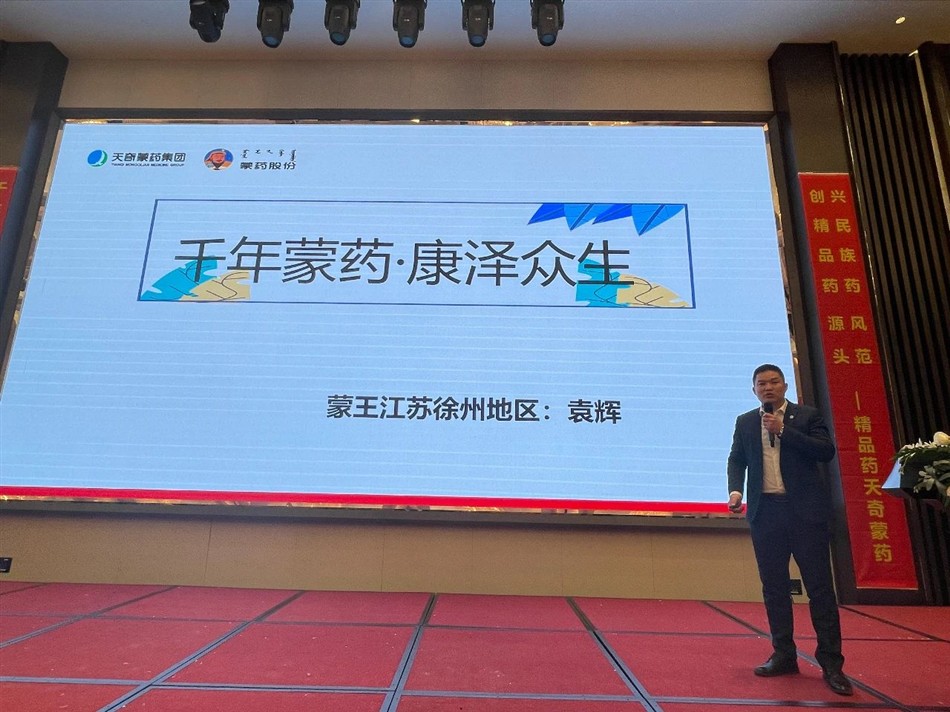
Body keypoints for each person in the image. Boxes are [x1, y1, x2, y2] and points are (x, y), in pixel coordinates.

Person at [727, 364, 853, 697]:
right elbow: (737, 458)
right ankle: (783, 654)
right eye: (761, 384)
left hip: (805, 514)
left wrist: (783, 430)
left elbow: (825, 451)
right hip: (765, 513)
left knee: (820, 589)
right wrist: (735, 490)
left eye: (773, 382)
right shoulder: (745, 421)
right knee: (774, 588)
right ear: (753, 389)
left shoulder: (807, 416)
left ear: (784, 386)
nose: (767, 388)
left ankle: (831, 663)